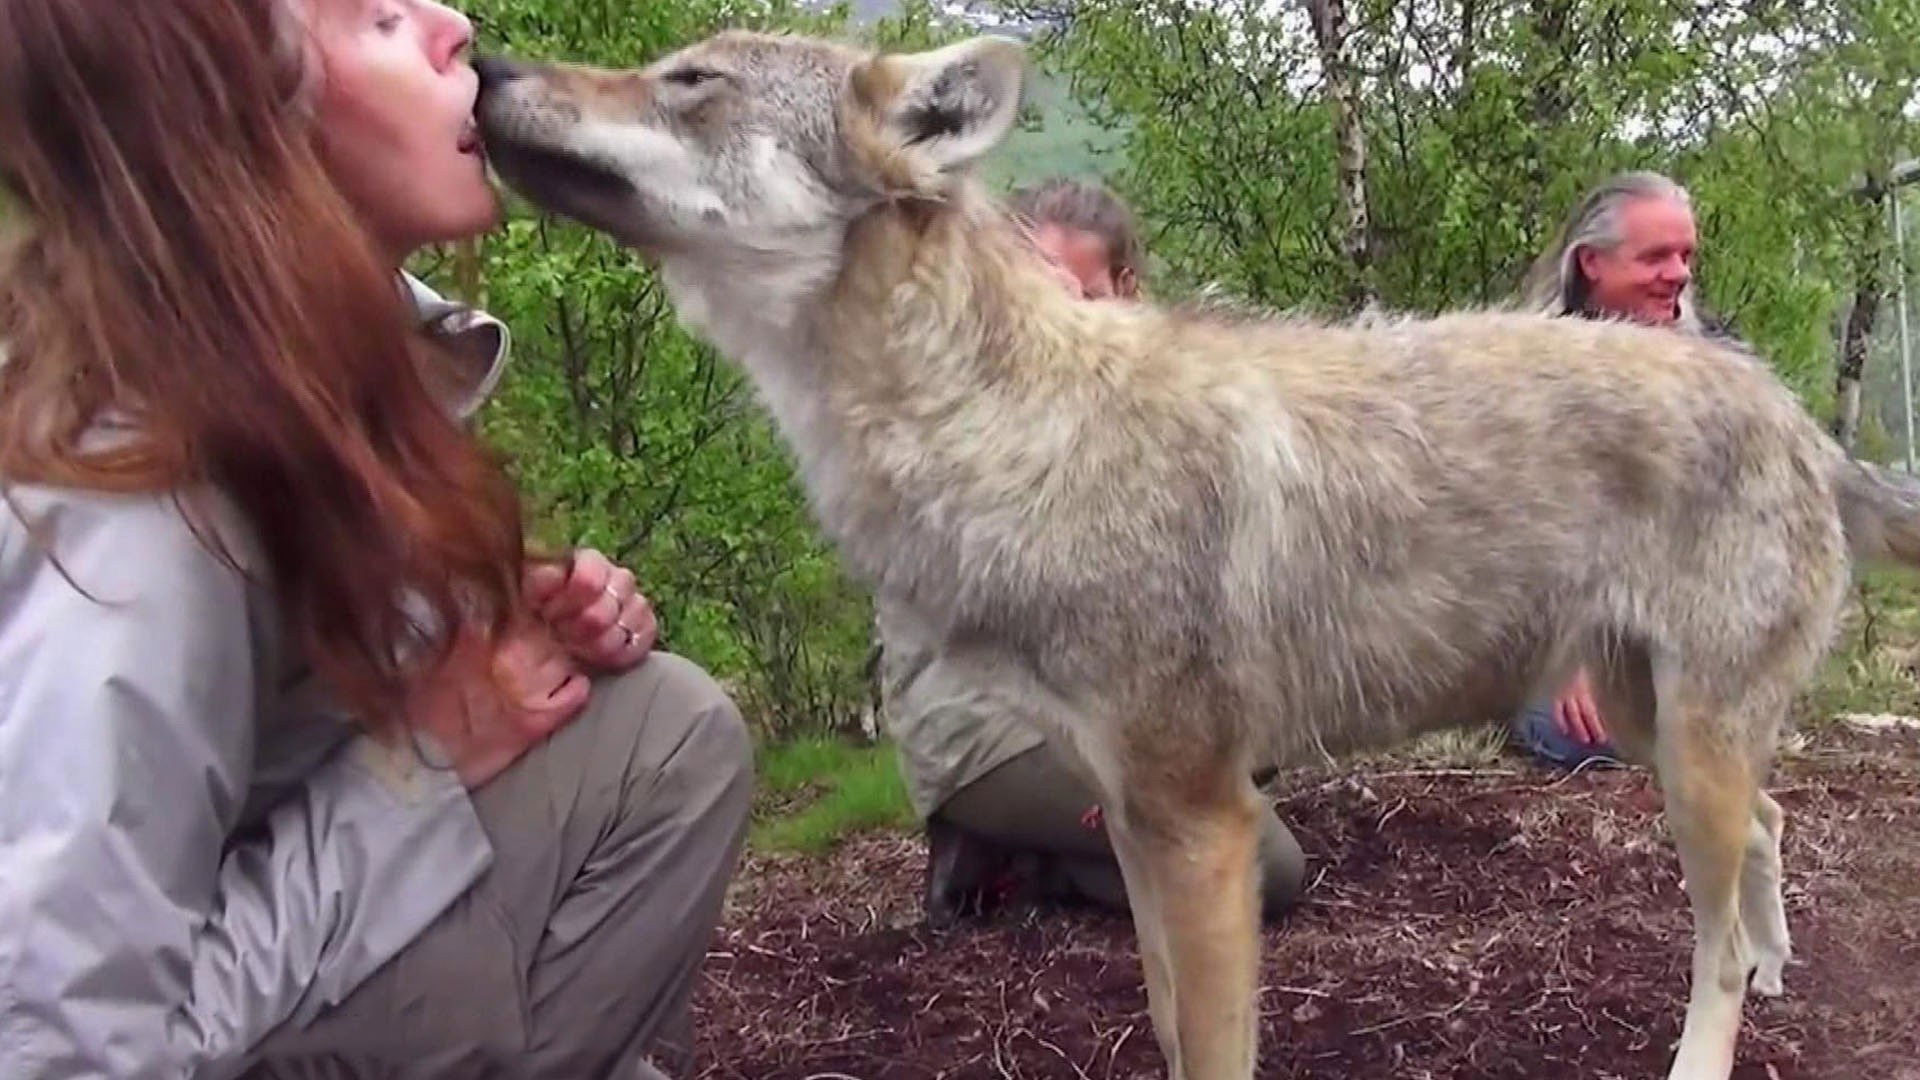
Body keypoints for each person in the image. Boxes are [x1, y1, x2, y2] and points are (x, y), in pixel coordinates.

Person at [0, 3, 751, 1078]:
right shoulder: (136, 505)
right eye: (384, 18)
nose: (457, 27)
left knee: (651, 733)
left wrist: (483, 636)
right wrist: (430, 756)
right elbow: (60, 1049)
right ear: (238, 117)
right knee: (665, 741)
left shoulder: (298, 374)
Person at [879, 177, 1307, 929]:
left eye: (1084, 295)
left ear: (1129, 292)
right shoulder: (969, 408)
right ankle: (1026, 865)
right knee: (1264, 874)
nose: (1061, 320)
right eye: (1039, 291)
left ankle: (1045, 840)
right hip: (985, 725)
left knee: (1282, 704)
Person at [1512, 169, 1732, 769]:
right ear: (1592, 264)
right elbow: (1518, 548)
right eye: (1656, 256)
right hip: (1563, 634)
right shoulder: (1524, 376)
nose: (1680, 273)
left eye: (1686, 255)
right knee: (1576, 737)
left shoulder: (1717, 369)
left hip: (1679, 628)